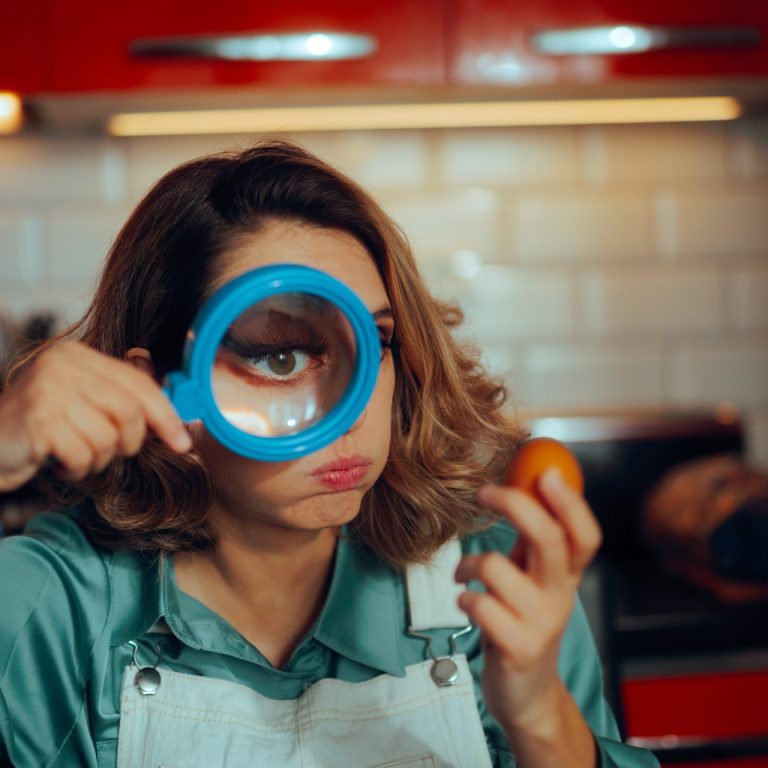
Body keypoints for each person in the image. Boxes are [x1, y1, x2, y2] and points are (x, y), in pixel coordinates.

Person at [0, 139, 658, 767]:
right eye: (281, 355)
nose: (356, 410)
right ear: (162, 387)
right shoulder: (54, 608)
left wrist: (541, 714)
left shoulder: (497, 584)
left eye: (375, 340)